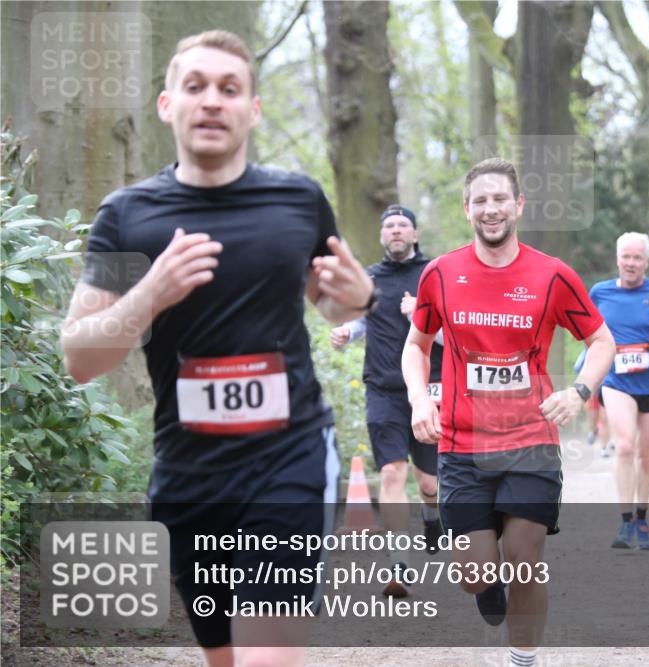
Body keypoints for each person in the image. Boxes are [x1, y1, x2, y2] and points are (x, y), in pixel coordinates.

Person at [60, 31, 374, 667]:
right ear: (166, 104)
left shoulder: (297, 201)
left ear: (252, 110)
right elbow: (80, 357)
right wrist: (149, 293)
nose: (212, 102)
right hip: (188, 473)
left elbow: (333, 301)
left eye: (229, 90)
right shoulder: (128, 217)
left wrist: (361, 297)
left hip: (290, 458)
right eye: (196, 87)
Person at [401, 158, 615, 667]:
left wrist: (579, 391)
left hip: (530, 442)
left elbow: (601, 340)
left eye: (500, 199)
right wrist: (417, 397)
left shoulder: (552, 275)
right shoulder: (441, 274)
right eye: (480, 200)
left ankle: (523, 659)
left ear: (518, 205)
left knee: (525, 561)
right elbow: (416, 344)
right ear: (467, 208)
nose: (490, 209)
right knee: (474, 575)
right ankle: (486, 584)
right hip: (460, 444)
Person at [330, 204, 445, 596]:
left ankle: (432, 515)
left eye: (403, 225)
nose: (396, 231)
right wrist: (347, 332)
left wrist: (422, 315)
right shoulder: (370, 278)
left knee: (429, 482)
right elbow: (363, 321)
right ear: (382, 236)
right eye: (390, 226)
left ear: (414, 234)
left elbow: (455, 334)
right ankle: (399, 565)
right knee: (393, 474)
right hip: (383, 389)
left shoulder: (435, 275)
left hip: (430, 391)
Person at [590, 232, 649, 551]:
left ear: (647, 261)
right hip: (617, 381)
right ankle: (625, 520)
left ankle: (642, 517)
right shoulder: (600, 293)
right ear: (618, 259)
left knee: (646, 456)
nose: (631, 263)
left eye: (637, 258)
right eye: (626, 257)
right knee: (624, 447)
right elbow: (585, 330)